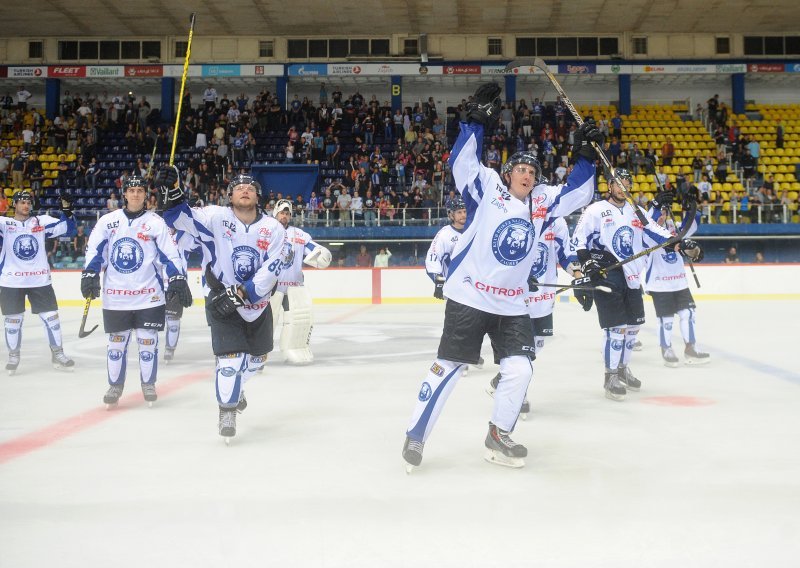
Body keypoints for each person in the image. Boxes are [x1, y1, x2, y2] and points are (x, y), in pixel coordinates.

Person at [402, 82, 600, 471]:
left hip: (512, 304)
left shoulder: (543, 201)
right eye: (520, 169)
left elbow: (579, 192)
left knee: (521, 368)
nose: (526, 175)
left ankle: (498, 434)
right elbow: (463, 163)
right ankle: (416, 434)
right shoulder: (487, 187)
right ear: (508, 173)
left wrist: (585, 154)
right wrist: (474, 123)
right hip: (470, 296)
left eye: (532, 171)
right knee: (449, 366)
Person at [160, 170, 288, 442]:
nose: (244, 189)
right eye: (238, 187)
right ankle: (227, 410)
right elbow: (178, 219)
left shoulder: (273, 228)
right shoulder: (215, 217)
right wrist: (172, 193)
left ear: (258, 195)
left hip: (257, 303)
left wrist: (242, 293)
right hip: (220, 298)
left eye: (250, 187)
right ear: (229, 195)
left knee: (255, 361)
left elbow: (273, 267)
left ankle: (235, 388)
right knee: (230, 361)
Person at [572, 170, 701, 401]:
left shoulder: (637, 211)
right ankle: (610, 375)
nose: (623, 187)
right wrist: (588, 265)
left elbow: (657, 233)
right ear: (610, 186)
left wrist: (681, 244)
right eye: (618, 183)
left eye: (627, 183)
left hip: (632, 275)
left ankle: (623, 368)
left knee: (633, 327)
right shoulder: (595, 210)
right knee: (617, 328)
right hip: (607, 271)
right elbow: (579, 241)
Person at [82, 176, 192, 408]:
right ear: (124, 194)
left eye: (139, 190)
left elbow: (169, 254)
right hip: (116, 296)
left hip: (149, 295)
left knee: (147, 342)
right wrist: (90, 273)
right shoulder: (108, 221)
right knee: (116, 344)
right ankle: (115, 386)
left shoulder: (155, 222)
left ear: (146, 195)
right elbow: (94, 250)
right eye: (131, 190)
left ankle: (148, 383)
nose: (135, 194)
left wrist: (177, 277)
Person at [486, 216, 582, 418]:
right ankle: (519, 394)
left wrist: (578, 275)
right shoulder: (515, 213)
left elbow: (566, 252)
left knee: (536, 345)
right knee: (521, 347)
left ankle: (503, 379)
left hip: (543, 299)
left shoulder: (556, 220)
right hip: (515, 296)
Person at [0, 191, 76, 374]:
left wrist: (67, 210)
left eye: (28, 202)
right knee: (12, 321)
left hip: (39, 279)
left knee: (52, 319)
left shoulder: (41, 222)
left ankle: (57, 353)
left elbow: (68, 229)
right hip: (11, 280)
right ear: (14, 204)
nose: (26, 205)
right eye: (22, 202)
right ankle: (13, 356)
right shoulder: (4, 224)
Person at [643, 202, 709, 367]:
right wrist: (655, 207)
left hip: (679, 282)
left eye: (665, 212)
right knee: (666, 319)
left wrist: (693, 209)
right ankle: (666, 348)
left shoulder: (676, 230)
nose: (662, 216)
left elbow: (691, 225)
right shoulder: (647, 234)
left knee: (688, 314)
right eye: (660, 213)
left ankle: (690, 348)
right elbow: (646, 223)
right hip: (659, 284)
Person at [269, 199, 331, 364]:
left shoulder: (299, 235)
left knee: (298, 320)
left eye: (288, 213)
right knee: (267, 323)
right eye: (282, 212)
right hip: (270, 287)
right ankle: (259, 354)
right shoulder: (265, 231)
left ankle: (293, 349)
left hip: (293, 287)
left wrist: (322, 252)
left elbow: (312, 248)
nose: (285, 216)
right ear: (275, 213)